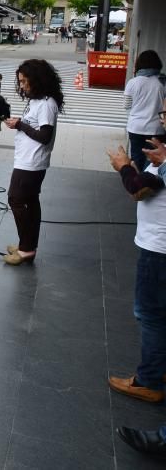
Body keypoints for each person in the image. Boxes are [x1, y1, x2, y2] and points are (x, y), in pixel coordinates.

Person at [106, 124, 166, 404]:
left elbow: (135, 186)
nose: (162, 119)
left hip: (159, 249)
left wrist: (124, 167)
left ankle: (148, 381)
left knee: (151, 314)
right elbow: (140, 191)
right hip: (157, 245)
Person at [3, 59, 64, 266]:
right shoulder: (38, 101)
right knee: (30, 202)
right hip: (28, 160)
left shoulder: (47, 104)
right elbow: (34, 126)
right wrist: (20, 123)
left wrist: (20, 124)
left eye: (23, 81)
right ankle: (27, 245)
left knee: (16, 200)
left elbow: (44, 135)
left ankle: (26, 248)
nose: (21, 86)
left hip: (31, 163)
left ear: (35, 80)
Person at [124, 50, 166, 172]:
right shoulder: (162, 82)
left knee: (136, 159)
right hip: (156, 129)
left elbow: (126, 105)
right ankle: (150, 186)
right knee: (153, 162)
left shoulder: (133, 82)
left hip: (135, 127)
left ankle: (137, 186)